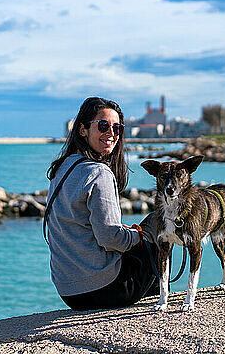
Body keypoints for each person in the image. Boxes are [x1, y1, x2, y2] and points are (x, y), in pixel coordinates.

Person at [45, 96, 159, 310]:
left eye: (117, 128)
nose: (111, 134)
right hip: (105, 289)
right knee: (157, 221)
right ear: (83, 130)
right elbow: (110, 238)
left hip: (69, 292)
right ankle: (156, 294)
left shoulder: (61, 169)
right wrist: (138, 236)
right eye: (103, 126)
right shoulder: (98, 172)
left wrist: (125, 234)